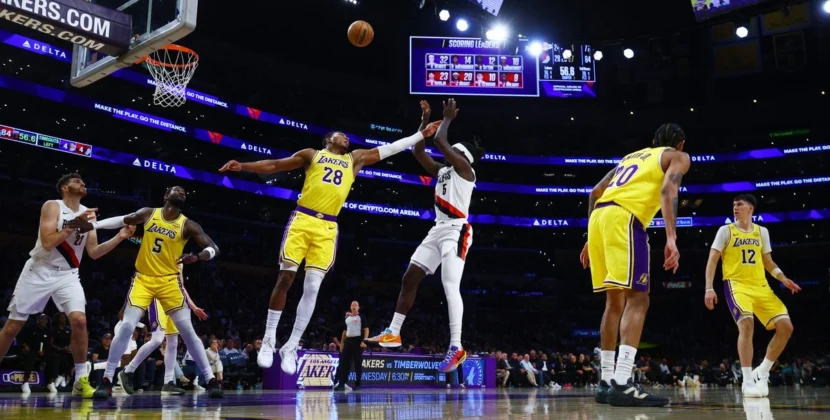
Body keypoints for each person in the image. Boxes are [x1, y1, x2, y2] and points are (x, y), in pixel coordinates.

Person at [218, 114, 441, 375]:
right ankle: (269, 339)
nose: (346, 137)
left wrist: (421, 134)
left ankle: (290, 345)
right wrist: (243, 166)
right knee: (285, 279)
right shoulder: (312, 154)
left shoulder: (354, 159)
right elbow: (276, 165)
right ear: (328, 140)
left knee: (312, 287)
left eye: (347, 136)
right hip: (303, 219)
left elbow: (391, 148)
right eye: (341, 134)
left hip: (328, 228)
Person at [70, 186, 224, 398]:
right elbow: (123, 219)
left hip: (169, 282)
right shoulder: (149, 213)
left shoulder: (188, 224)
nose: (181, 192)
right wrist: (92, 225)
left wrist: (198, 257)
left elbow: (213, 248)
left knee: (186, 331)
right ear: (165, 195)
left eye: (184, 192)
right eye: (176, 190)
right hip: (143, 279)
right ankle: (107, 379)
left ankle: (211, 380)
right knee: (126, 327)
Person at [366, 99, 484, 373]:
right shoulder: (442, 171)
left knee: (449, 285)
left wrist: (447, 120)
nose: (447, 152)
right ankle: (394, 332)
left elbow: (441, 142)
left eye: (454, 151)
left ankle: (456, 346)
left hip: (457, 229)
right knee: (410, 277)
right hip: (437, 229)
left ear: (462, 156)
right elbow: (419, 151)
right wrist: (424, 122)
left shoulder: (466, 170)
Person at [580, 124, 691, 407]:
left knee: (614, 302)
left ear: (652, 141)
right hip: (626, 220)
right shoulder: (678, 157)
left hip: (599, 220)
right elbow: (668, 191)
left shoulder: (631, 157)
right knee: (639, 299)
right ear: (680, 144)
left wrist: (589, 239)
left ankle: (606, 382)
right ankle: (622, 381)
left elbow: (594, 192)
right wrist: (671, 237)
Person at [0, 173, 134, 398]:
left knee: (80, 321)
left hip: (68, 275)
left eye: (83, 180)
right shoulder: (53, 206)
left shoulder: (88, 214)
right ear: (64, 187)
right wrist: (74, 225)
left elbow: (93, 252)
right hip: (38, 271)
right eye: (76, 180)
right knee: (12, 328)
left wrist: (120, 236)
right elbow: (48, 241)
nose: (82, 182)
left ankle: (80, 380)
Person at [704, 194, 800, 398]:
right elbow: (713, 260)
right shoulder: (725, 230)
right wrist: (708, 288)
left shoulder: (761, 232)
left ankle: (762, 371)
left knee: (786, 327)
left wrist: (783, 278)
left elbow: (768, 262)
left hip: (761, 286)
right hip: (736, 285)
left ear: (750, 209)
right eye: (733, 205)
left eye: (739, 205)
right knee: (747, 324)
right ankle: (747, 380)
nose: (735, 208)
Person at [115, 266, 208, 396]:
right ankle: (127, 371)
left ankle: (168, 382)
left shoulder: (180, 258)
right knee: (157, 339)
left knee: (173, 342)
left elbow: (181, 285)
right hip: (157, 296)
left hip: (173, 298)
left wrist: (192, 306)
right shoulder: (163, 250)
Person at [334, 301, 368, 391]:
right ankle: (341, 383)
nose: (354, 306)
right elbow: (344, 332)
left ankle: (358, 384)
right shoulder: (347, 318)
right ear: (350, 307)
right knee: (344, 363)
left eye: (356, 305)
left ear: (358, 307)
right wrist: (342, 343)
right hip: (348, 341)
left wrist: (364, 341)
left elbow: (366, 329)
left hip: (358, 342)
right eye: (353, 305)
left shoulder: (362, 317)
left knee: (357, 364)